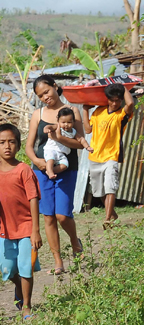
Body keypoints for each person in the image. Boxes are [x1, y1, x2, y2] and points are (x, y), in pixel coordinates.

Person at [24, 76, 87, 275]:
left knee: (62, 215)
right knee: (49, 216)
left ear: (55, 87)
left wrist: (59, 137)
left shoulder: (72, 111)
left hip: (67, 169)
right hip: (42, 171)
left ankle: (75, 242)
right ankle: (58, 260)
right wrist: (38, 161)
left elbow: (80, 143)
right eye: (40, 95)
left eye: (47, 92)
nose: (45, 97)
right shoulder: (37, 114)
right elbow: (29, 146)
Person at [0, 123, 43, 319]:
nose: (7, 146)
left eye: (12, 142)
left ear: (19, 146)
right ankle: (18, 288)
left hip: (26, 228)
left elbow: (33, 198)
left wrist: (35, 230)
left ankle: (27, 306)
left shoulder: (24, 170)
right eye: (2, 142)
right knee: (7, 268)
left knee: (26, 267)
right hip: (5, 229)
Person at [82, 84, 135, 227]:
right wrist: (85, 110)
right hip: (95, 156)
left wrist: (123, 87)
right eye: (112, 100)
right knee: (99, 191)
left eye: (118, 100)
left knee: (110, 186)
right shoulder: (98, 111)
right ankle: (113, 214)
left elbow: (130, 103)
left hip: (111, 156)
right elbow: (87, 130)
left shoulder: (122, 115)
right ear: (107, 100)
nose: (115, 103)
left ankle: (107, 219)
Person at [41, 107, 93, 179]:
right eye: (63, 122)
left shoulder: (73, 132)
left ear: (73, 122)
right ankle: (50, 172)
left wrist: (87, 147)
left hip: (61, 154)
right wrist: (46, 129)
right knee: (50, 160)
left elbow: (81, 139)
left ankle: (50, 171)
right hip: (51, 149)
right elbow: (49, 126)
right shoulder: (58, 127)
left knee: (65, 165)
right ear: (58, 121)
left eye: (69, 122)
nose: (66, 124)